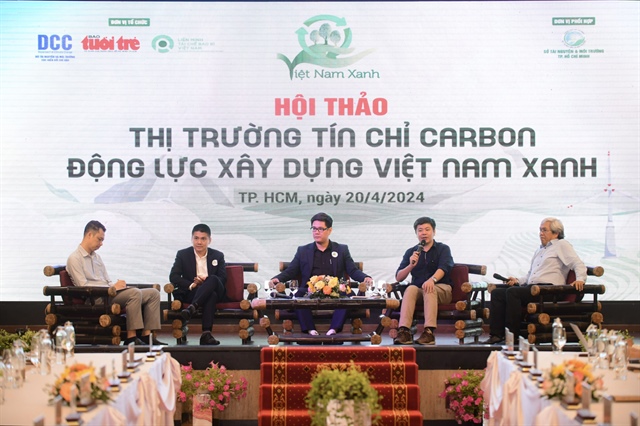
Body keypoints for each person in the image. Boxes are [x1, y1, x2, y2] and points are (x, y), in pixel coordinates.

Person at [482, 217, 587, 344]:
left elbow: (578, 264)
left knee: (513, 293)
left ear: (556, 233)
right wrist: (517, 280)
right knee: (498, 293)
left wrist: (580, 279)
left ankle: (512, 336)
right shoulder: (540, 250)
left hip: (549, 290)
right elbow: (530, 275)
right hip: (534, 288)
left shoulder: (561, 245)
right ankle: (496, 335)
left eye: (544, 230)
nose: (540, 233)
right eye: (540, 230)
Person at [269, 212, 373, 336]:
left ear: (329, 230)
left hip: (336, 290)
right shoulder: (303, 250)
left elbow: (352, 270)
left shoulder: (341, 249)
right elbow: (291, 271)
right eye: (314, 228)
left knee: (348, 297)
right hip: (310, 289)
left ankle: (334, 329)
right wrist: (276, 279)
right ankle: (310, 330)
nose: (316, 232)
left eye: (320, 229)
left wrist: (365, 277)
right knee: (297, 297)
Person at [66, 220, 164, 345]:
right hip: (96, 298)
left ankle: (146, 336)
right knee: (134, 293)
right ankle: (131, 338)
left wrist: (117, 286)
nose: (101, 244)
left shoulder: (97, 257)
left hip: (108, 293)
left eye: (102, 240)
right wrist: (112, 287)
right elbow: (82, 286)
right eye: (99, 239)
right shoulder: (74, 258)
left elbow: (107, 280)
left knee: (153, 293)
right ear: (89, 235)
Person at [393, 217, 454, 345]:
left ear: (434, 232)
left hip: (442, 289)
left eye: (427, 229)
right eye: (420, 230)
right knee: (410, 288)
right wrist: (410, 265)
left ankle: (429, 332)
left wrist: (432, 280)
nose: (424, 233)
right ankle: (404, 331)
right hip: (420, 291)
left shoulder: (443, 249)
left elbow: (444, 267)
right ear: (416, 234)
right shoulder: (411, 252)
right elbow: (399, 277)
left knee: (428, 287)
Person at [169, 223, 227, 346]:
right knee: (210, 295)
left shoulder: (218, 255)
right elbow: (173, 276)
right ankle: (206, 334)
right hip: (193, 292)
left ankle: (192, 308)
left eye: (203, 238)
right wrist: (192, 284)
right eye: (196, 238)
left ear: (209, 240)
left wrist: (207, 280)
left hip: (216, 289)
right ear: (192, 239)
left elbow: (222, 279)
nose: (199, 242)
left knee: (213, 279)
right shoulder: (183, 254)